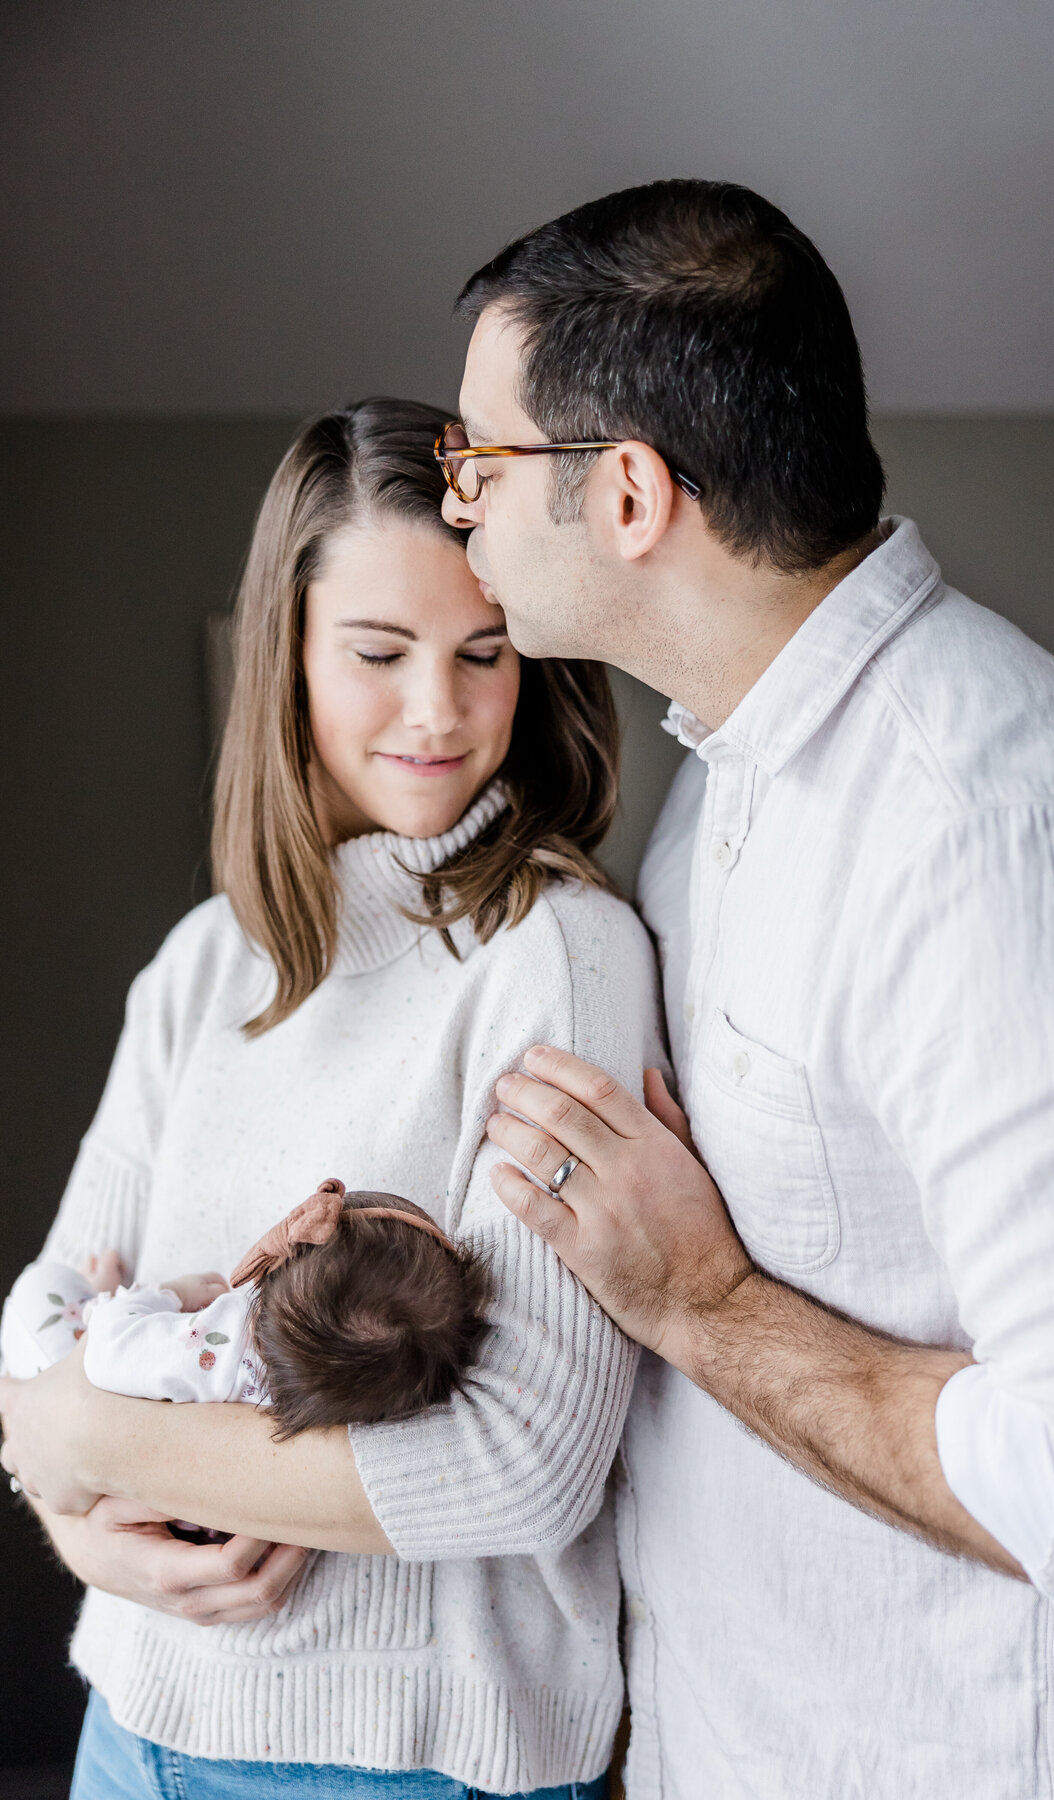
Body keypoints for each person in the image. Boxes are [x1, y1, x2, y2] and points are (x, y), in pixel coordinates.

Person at [427, 182, 1054, 1797]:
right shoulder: (734, 777)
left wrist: (699, 1303)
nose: (461, 511)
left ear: (627, 491)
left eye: (480, 462)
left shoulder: (991, 826)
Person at [0, 396, 662, 1799]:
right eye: (379, 652)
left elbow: (524, 1462)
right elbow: (47, 1307)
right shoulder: (205, 961)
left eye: (486, 653)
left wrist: (81, 1441)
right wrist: (76, 1522)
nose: (440, 708)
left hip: (406, 1765)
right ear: (285, 653)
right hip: (131, 1723)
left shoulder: (559, 957)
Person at [1, 1178, 490, 1433]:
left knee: (40, 1285)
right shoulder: (336, 1394)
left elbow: (107, 1350)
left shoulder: (221, 1340)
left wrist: (169, 1293)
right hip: (193, 1517)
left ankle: (94, 1291)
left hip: (73, 1382)